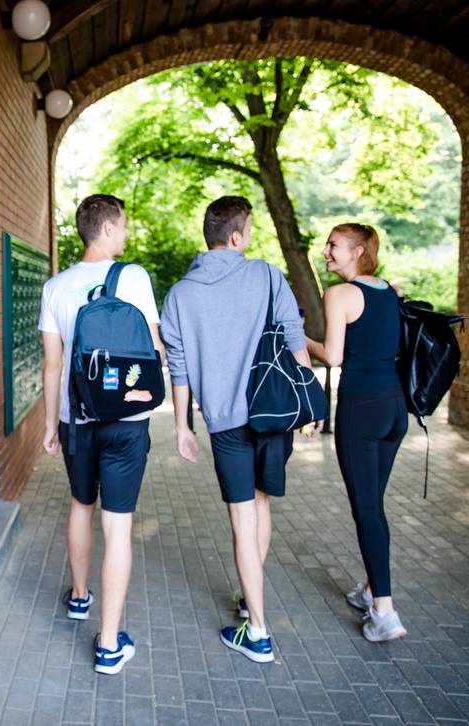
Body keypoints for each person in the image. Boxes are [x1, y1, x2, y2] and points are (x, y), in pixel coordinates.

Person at [160, 196, 319, 663]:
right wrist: (309, 404)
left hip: (226, 423)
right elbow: (294, 339)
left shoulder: (180, 295)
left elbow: (180, 367)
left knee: (241, 520)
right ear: (236, 236)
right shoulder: (267, 275)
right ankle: (256, 616)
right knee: (261, 504)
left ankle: (258, 622)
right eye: (248, 230)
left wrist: (183, 427)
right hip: (272, 415)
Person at [39, 194, 165, 675]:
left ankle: (78, 596)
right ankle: (109, 644)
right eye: (124, 225)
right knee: (118, 525)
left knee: (79, 505)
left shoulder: (56, 287)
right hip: (128, 422)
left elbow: (53, 365)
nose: (127, 234)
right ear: (108, 229)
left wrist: (52, 425)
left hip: (78, 419)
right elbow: (152, 348)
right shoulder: (133, 278)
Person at [305, 223, 408, 642]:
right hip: (394, 409)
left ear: (359, 251)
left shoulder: (341, 294)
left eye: (334, 246)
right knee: (374, 506)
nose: (326, 251)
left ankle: (384, 612)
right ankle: (371, 588)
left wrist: (299, 338)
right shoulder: (389, 290)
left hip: (361, 410)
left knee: (367, 509)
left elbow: (332, 356)